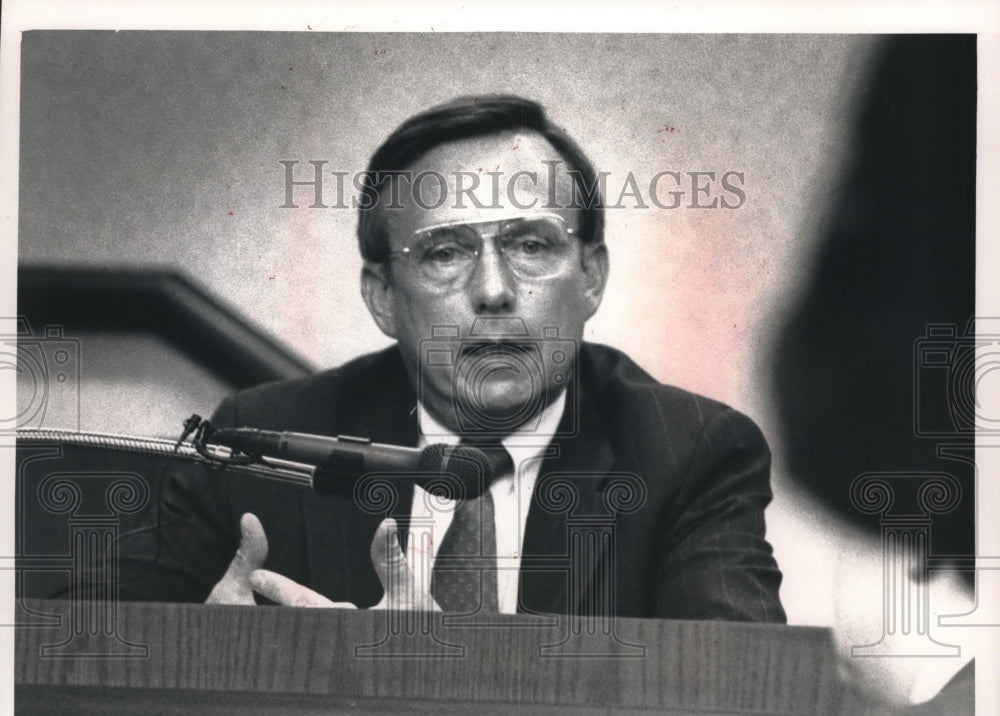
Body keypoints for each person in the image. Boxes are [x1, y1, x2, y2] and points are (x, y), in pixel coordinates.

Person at [133, 95, 785, 623]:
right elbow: (84, 642)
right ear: (384, 297)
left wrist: (448, 673)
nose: (495, 291)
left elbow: (741, 697)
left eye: (531, 245)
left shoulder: (689, 452)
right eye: (445, 252)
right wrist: (205, 644)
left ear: (590, 276)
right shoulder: (262, 442)